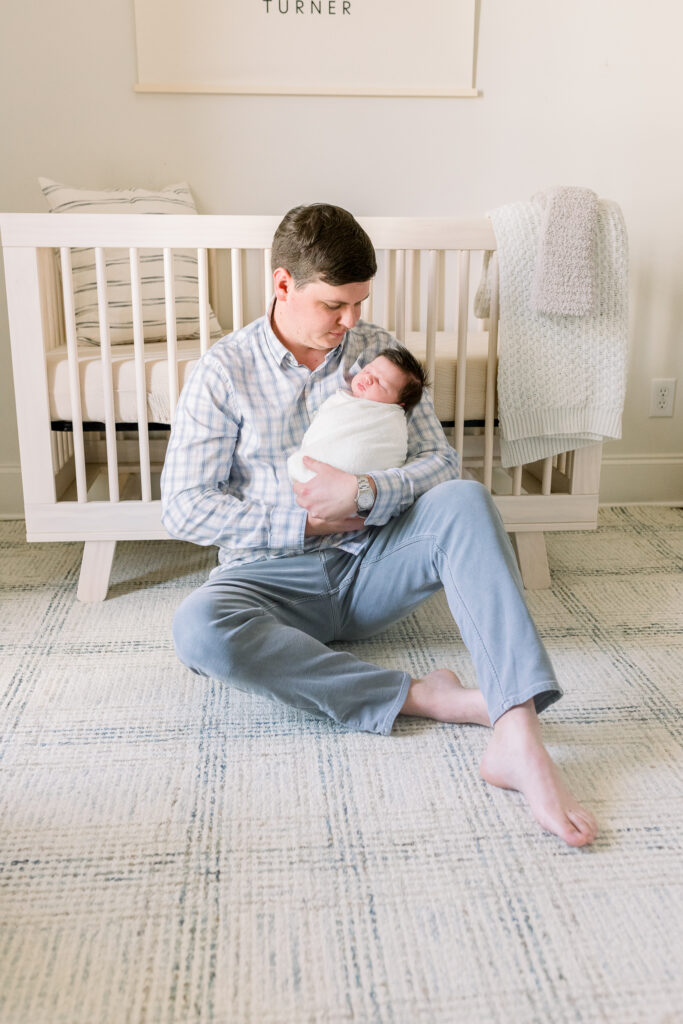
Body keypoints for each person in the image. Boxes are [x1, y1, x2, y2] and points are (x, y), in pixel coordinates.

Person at [161, 203, 598, 848]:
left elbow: (441, 461)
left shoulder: (375, 352)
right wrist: (307, 521)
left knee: (467, 499)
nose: (351, 322)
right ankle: (426, 698)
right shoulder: (221, 374)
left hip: (374, 564)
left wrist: (363, 492)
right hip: (271, 581)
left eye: (360, 303)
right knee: (199, 628)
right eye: (336, 305)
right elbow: (186, 506)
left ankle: (518, 733)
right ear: (283, 285)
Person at [287, 347, 426, 483]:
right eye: (368, 370)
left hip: (363, 482)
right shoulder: (342, 400)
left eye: (380, 382)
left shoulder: (389, 418)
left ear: (399, 404)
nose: (368, 379)